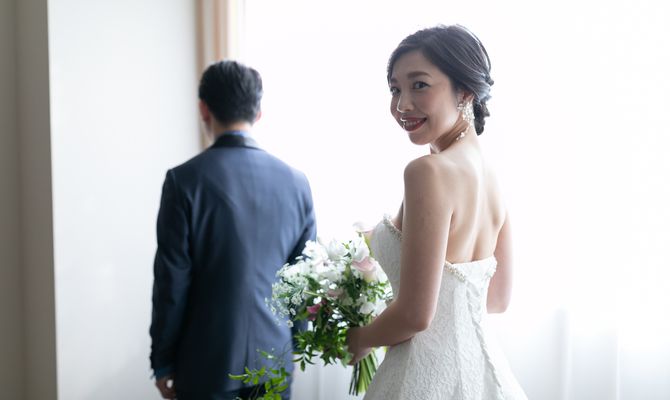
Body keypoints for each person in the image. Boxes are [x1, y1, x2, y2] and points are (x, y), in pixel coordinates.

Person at [345, 25, 528, 399]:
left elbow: (415, 315)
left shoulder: (427, 172)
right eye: (395, 89)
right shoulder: (493, 176)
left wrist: (360, 338)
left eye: (420, 85)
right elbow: (496, 299)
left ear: (465, 91)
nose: (402, 105)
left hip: (422, 379)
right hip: (483, 376)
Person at [149, 60, 316, 400]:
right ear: (258, 112)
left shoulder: (184, 181)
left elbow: (172, 281)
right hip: (274, 359)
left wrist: (163, 360)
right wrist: (297, 342)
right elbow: (303, 277)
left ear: (203, 109)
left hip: (204, 364)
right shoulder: (297, 183)